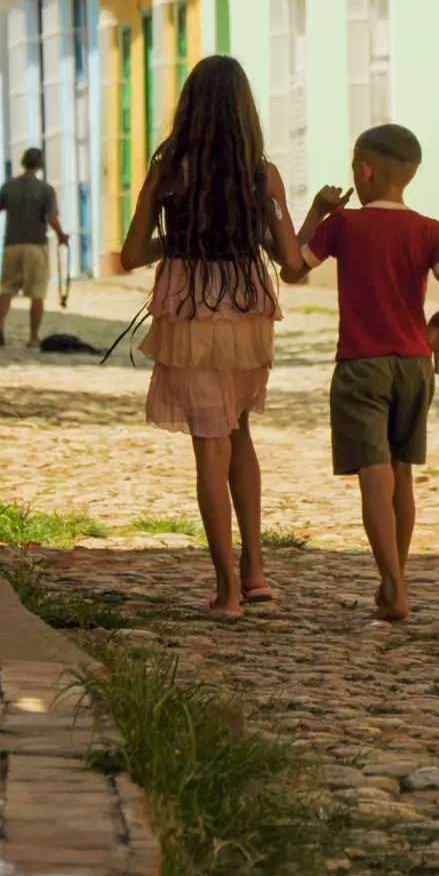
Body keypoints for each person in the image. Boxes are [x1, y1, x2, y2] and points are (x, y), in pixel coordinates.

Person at [120, 55, 305, 618]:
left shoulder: (169, 170)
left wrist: (172, 242)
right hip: (247, 307)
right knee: (240, 431)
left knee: (210, 445)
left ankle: (225, 589)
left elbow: (130, 254)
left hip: (191, 307)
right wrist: (314, 216)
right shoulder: (261, 174)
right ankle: (256, 573)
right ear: (245, 110)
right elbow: (292, 263)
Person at [283, 125, 439, 621]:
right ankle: (397, 579)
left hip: (361, 366)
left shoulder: (342, 223)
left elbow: (291, 270)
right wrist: (437, 324)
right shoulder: (431, 229)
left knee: (373, 477)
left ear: (364, 172)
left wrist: (316, 212)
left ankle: (392, 584)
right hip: (413, 366)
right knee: (402, 473)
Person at [0, 147, 69, 348]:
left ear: (23, 163)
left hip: (11, 246)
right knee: (37, 293)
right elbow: (51, 217)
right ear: (40, 165)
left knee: (6, 289)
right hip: (35, 246)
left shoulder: (9, 186)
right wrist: (61, 236)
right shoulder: (46, 189)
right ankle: (33, 337)